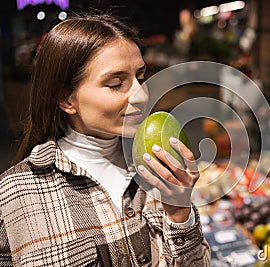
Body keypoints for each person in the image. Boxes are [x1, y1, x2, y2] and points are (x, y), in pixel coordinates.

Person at [0, 13, 210, 266]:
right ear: (67, 99)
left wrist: (180, 214)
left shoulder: (158, 169)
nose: (141, 95)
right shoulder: (15, 195)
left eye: (140, 78)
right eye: (115, 83)